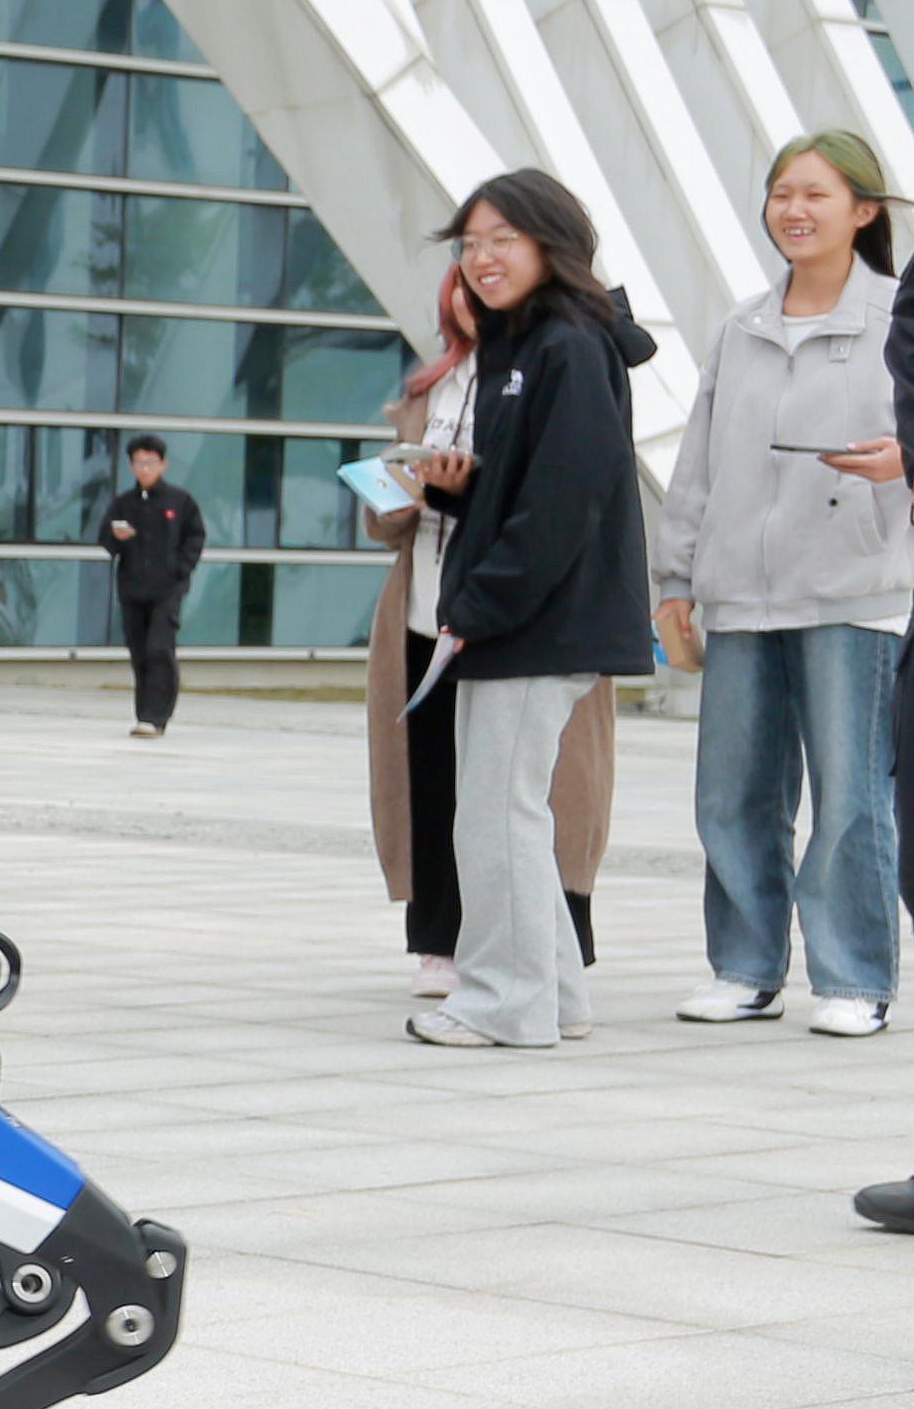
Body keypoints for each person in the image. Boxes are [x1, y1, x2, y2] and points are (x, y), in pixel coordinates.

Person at [653, 132, 908, 1037]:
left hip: (853, 588)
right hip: (738, 597)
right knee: (732, 796)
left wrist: (905, 458)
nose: (792, 211)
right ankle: (743, 967)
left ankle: (853, 978)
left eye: (815, 194)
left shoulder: (896, 318)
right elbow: (696, 465)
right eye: (780, 194)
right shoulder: (743, 326)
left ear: (864, 211)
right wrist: (674, 576)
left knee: (849, 797)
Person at [404, 169, 657, 1050]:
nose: (481, 258)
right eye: (470, 244)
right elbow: (526, 487)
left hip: (537, 621)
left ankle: (502, 1003)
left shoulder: (567, 345)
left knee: (493, 813)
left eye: (501, 240)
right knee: (509, 810)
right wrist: (455, 500)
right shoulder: (522, 344)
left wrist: (478, 601)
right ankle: (554, 995)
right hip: (523, 616)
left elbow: (564, 499)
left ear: (552, 243)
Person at [363, 269, 611, 1007]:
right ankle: (441, 939)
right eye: (462, 279)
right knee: (433, 779)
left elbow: (557, 497)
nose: (474, 294)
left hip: (517, 614)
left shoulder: (556, 365)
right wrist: (403, 497)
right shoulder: (428, 388)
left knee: (526, 791)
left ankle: (548, 961)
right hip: (425, 607)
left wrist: (462, 490)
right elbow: (383, 517)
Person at [95, 436, 206, 736]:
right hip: (132, 588)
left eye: (151, 463)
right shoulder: (123, 503)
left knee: (159, 647)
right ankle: (143, 714)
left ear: (163, 464)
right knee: (139, 650)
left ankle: (157, 716)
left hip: (167, 589)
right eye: (139, 463)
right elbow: (106, 541)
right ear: (131, 466)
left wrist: (180, 570)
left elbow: (195, 537)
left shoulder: (180, 502)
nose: (145, 469)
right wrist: (116, 537)